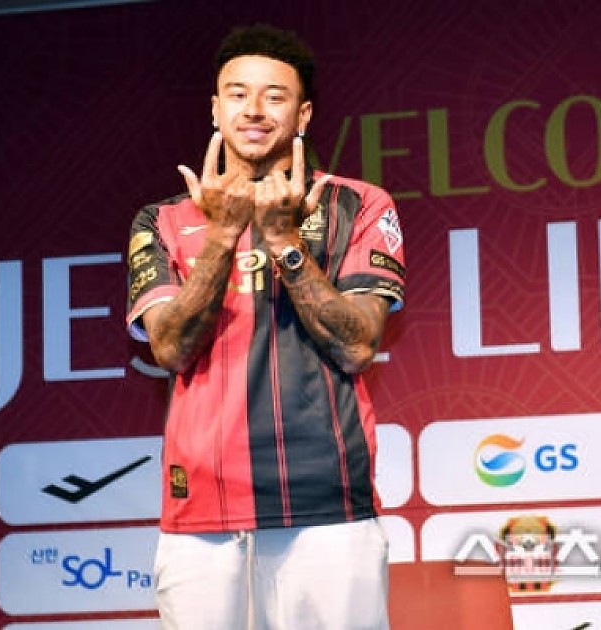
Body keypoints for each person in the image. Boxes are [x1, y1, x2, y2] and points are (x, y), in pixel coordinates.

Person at [125, 23, 405, 630]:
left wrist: (283, 239)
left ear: (302, 115)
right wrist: (224, 233)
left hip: (328, 508)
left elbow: (358, 345)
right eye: (237, 93)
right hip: (201, 517)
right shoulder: (162, 220)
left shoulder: (358, 205)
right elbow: (169, 348)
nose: (253, 109)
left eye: (274, 96)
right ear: (215, 109)